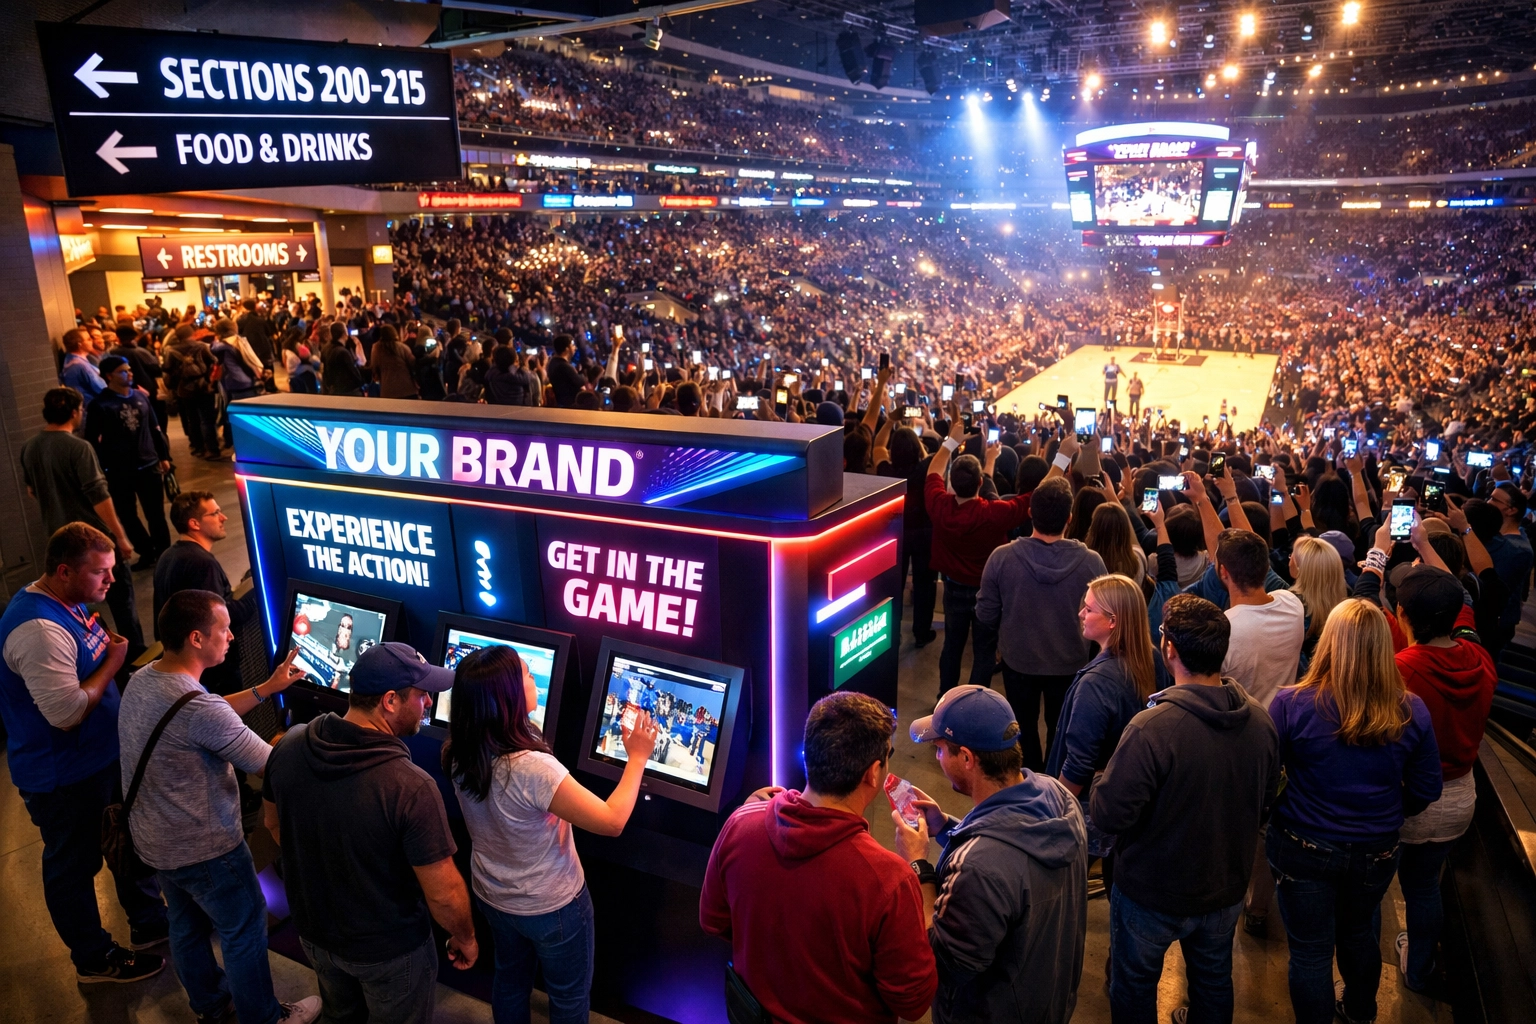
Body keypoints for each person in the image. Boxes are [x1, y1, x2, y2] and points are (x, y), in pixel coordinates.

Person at [118, 591, 318, 1024]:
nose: (231, 635)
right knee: (243, 931)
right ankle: (265, 1018)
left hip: (157, 842)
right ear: (195, 638)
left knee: (186, 928)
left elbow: (199, 715)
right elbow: (270, 765)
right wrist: (302, 742)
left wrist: (267, 689)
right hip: (207, 850)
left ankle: (211, 1006)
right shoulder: (199, 708)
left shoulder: (147, 678)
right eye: (223, 628)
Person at [263, 643, 478, 1023]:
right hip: (390, 953)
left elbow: (273, 824)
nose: (428, 702)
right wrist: (465, 937)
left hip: (315, 935)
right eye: (422, 694)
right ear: (391, 700)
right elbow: (443, 894)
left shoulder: (290, 744)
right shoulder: (410, 787)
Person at [1090, 594, 1280, 1024]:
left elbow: (1108, 815)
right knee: (1213, 981)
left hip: (1151, 895)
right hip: (1224, 888)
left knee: (1135, 985)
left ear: (1170, 649)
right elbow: (1266, 801)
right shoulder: (1261, 723)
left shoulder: (1151, 728)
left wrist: (1103, 777)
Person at [443, 646, 659, 1024]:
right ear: (506, 696)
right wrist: (638, 756)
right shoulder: (532, 769)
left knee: (509, 980)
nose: (533, 679)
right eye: (526, 675)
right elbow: (612, 821)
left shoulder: (459, 749)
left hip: (493, 895)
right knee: (569, 996)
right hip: (552, 906)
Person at [700, 691, 938, 1024]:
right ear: (873, 772)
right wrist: (919, 868)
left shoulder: (740, 824)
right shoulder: (890, 880)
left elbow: (713, 920)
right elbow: (913, 1001)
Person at [0, 523, 166, 982]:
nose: (112, 581)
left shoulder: (71, 602)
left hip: (101, 760)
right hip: (65, 777)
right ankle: (94, 958)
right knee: (74, 867)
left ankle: (150, 923)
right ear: (63, 570)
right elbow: (66, 712)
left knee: (126, 842)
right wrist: (113, 663)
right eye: (101, 574)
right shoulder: (38, 629)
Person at [1265, 600, 1442, 1024]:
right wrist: (1388, 810)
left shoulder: (1290, 704)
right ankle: (1361, 1012)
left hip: (1302, 842)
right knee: (1360, 932)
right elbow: (1426, 788)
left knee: (1309, 950)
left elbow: (1266, 777)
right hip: (1376, 848)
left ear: (1329, 644)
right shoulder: (1410, 710)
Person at [894, 685, 1088, 1024]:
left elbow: (942, 963)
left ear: (967, 758)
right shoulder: (1058, 796)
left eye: (939, 750)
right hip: (1047, 998)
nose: (937, 759)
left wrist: (919, 866)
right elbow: (1013, 849)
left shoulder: (979, 867)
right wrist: (947, 829)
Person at [1371, 563, 1496, 993]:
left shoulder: (1402, 671)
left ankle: (1363, 981)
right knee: (1425, 888)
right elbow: (1461, 609)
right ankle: (1419, 970)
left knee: (1373, 891)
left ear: (1402, 616)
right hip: (1459, 799)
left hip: (1407, 802)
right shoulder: (1478, 658)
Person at [978, 475, 1107, 771]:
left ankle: (1029, 780)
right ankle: (1054, 784)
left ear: (1030, 513)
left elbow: (985, 614)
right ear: (1070, 519)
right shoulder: (1093, 563)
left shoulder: (1002, 558)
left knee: (1022, 730)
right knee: (1062, 730)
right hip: (1070, 664)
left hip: (1018, 662)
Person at [21, 387, 144, 651]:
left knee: (76, 605)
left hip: (60, 543)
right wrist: (119, 537)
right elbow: (100, 497)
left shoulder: (30, 447)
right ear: (75, 412)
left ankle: (91, 654)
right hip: (93, 541)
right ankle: (135, 654)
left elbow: (32, 491)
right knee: (122, 600)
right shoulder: (79, 448)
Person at [925, 416, 1032, 695]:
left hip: (953, 589)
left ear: (952, 482)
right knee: (984, 651)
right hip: (986, 594)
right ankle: (974, 702)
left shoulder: (939, 505)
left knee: (952, 646)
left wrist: (950, 441)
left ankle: (943, 698)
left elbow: (933, 471)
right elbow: (1036, 497)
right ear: (981, 483)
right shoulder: (993, 513)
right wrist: (1063, 458)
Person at [1046, 575, 1164, 803]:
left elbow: (1078, 765)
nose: (1081, 614)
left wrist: (1055, 806)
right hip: (1130, 792)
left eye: (1089, 610)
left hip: (1091, 804)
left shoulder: (1095, 684)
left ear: (1113, 621)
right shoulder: (1152, 659)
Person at [153, 491, 260, 695]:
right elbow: (221, 616)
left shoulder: (169, 555)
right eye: (216, 513)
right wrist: (256, 594)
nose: (224, 517)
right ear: (194, 523)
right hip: (213, 671)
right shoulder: (202, 564)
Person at [82, 356, 173, 568]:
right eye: (123, 371)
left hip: (149, 464)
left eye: (129, 369)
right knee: (127, 515)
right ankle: (146, 551)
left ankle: (164, 553)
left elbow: (155, 428)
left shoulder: (141, 397)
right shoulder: (100, 404)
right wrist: (101, 468)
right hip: (118, 470)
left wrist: (164, 456)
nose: (129, 374)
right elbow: (92, 440)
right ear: (109, 376)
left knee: (156, 514)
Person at [1217, 529, 1306, 709]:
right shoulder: (1292, 604)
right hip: (1286, 721)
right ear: (1266, 568)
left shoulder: (1224, 629)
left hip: (1244, 729)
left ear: (1223, 571)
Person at [1483, 482, 1533, 654]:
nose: (1488, 502)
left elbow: (1490, 586)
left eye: (1494, 500)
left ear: (1511, 510)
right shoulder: (1502, 536)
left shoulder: (1518, 550)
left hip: (1496, 624)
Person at [164, 324, 221, 460]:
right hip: (203, 386)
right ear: (192, 334)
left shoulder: (171, 351)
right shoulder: (202, 346)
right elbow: (214, 363)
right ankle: (212, 449)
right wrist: (210, 382)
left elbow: (167, 370)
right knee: (207, 419)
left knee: (192, 419)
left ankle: (198, 447)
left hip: (184, 388)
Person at [368, 324, 419, 399]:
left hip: (388, 391)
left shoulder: (376, 348)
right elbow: (413, 364)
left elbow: (374, 367)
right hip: (407, 388)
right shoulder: (402, 347)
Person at [59, 327, 108, 400]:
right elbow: (100, 388)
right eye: (88, 339)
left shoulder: (73, 359)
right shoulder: (79, 365)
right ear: (80, 344)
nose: (92, 341)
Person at [546, 335, 587, 407]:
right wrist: (583, 375)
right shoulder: (563, 366)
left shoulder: (554, 362)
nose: (575, 348)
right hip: (569, 404)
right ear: (567, 349)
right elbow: (580, 381)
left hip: (562, 403)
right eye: (573, 345)